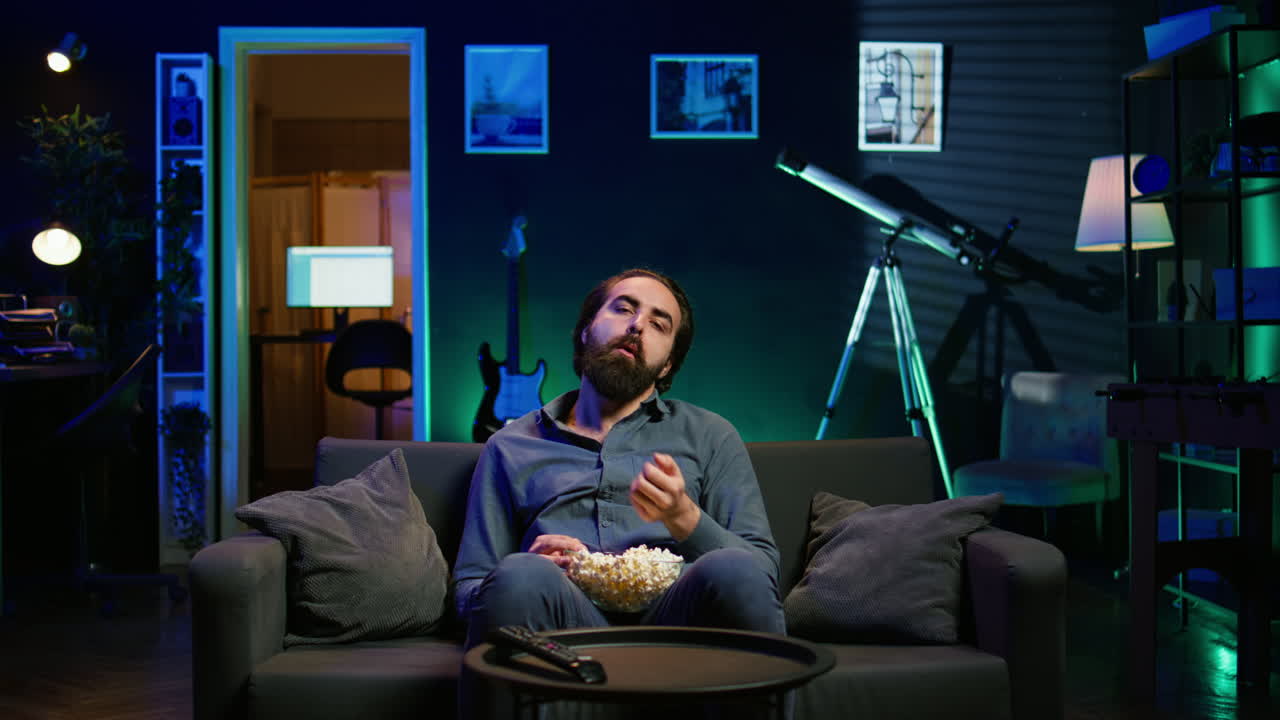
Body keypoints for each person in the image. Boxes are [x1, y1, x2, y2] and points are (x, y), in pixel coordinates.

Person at [453, 268, 783, 649]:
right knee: (521, 574)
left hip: (680, 623)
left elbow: (762, 575)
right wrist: (527, 568)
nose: (637, 325)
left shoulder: (711, 435)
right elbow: (467, 592)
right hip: (561, 626)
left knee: (735, 567)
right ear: (586, 329)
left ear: (667, 366)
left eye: (659, 324)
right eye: (623, 309)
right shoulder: (510, 445)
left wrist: (684, 518)